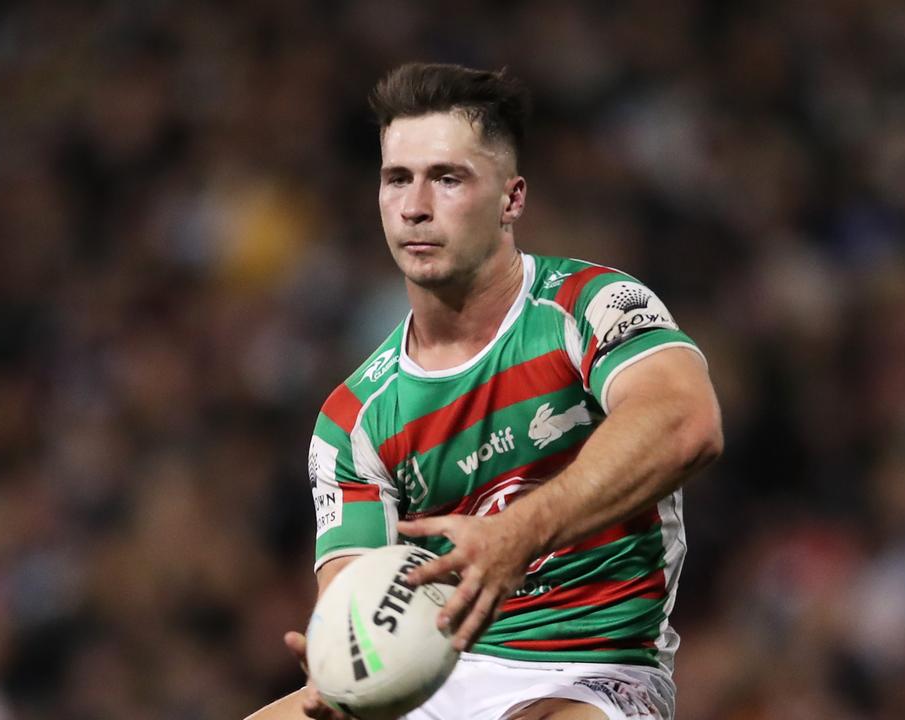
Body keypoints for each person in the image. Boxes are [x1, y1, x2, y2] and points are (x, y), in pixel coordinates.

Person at [248, 62, 722, 720]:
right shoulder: (352, 419)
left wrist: (517, 534)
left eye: (447, 178)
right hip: (435, 677)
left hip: (593, 674)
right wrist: (347, 664)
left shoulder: (590, 307)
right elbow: (353, 597)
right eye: (397, 180)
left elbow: (686, 423)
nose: (416, 205)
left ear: (511, 198)